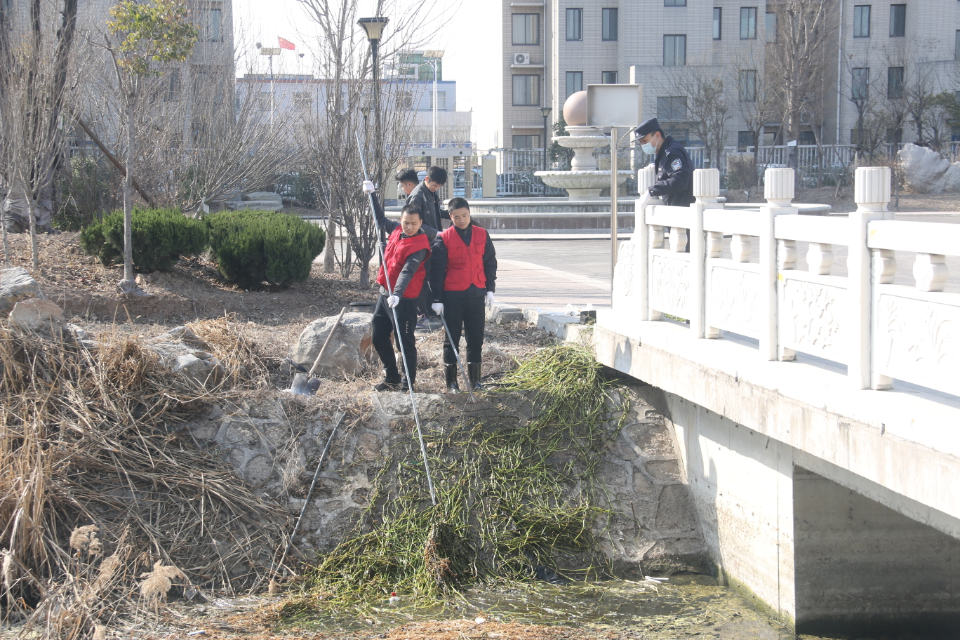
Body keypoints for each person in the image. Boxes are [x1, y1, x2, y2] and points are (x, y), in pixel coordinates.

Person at [429, 197, 497, 393]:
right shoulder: (444, 238)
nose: (461, 220)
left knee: (475, 338)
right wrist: (437, 299)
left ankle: (475, 381)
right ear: (450, 217)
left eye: (465, 215)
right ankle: (451, 383)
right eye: (456, 217)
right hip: (453, 296)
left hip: (476, 294)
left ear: (469, 213)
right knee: (451, 340)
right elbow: (437, 271)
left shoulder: (482, 234)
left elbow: (490, 262)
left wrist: (490, 289)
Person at [365, 193, 431, 392]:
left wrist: (398, 293)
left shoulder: (419, 245)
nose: (409, 227)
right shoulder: (395, 231)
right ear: (401, 221)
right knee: (378, 335)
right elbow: (379, 219)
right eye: (405, 223)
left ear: (420, 222)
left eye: (413, 223)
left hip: (404, 300)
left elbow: (407, 271)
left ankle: (408, 383)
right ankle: (392, 376)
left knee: (404, 343)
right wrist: (372, 195)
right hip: (385, 295)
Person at [635, 117, 695, 252]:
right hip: (677, 216)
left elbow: (680, 180)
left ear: (657, 135)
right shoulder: (663, 154)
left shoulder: (672, 152)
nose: (643, 145)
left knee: (687, 253)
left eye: (645, 141)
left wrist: (652, 191)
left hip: (683, 214)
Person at [407, 166, 449, 327]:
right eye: (434, 186)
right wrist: (437, 233)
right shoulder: (417, 196)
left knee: (434, 278)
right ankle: (421, 314)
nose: (436, 188)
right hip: (420, 246)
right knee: (422, 280)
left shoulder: (431, 193)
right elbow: (414, 224)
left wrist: (450, 213)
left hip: (433, 244)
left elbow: (436, 212)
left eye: (438, 187)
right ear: (426, 180)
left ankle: (431, 311)